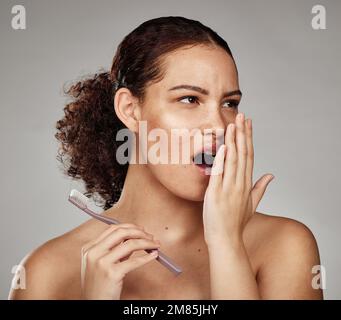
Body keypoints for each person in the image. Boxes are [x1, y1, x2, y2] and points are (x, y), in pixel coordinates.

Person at [9, 16, 323, 300]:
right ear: (130, 110)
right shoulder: (46, 273)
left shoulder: (284, 247)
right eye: (190, 99)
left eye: (229, 103)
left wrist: (227, 244)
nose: (218, 126)